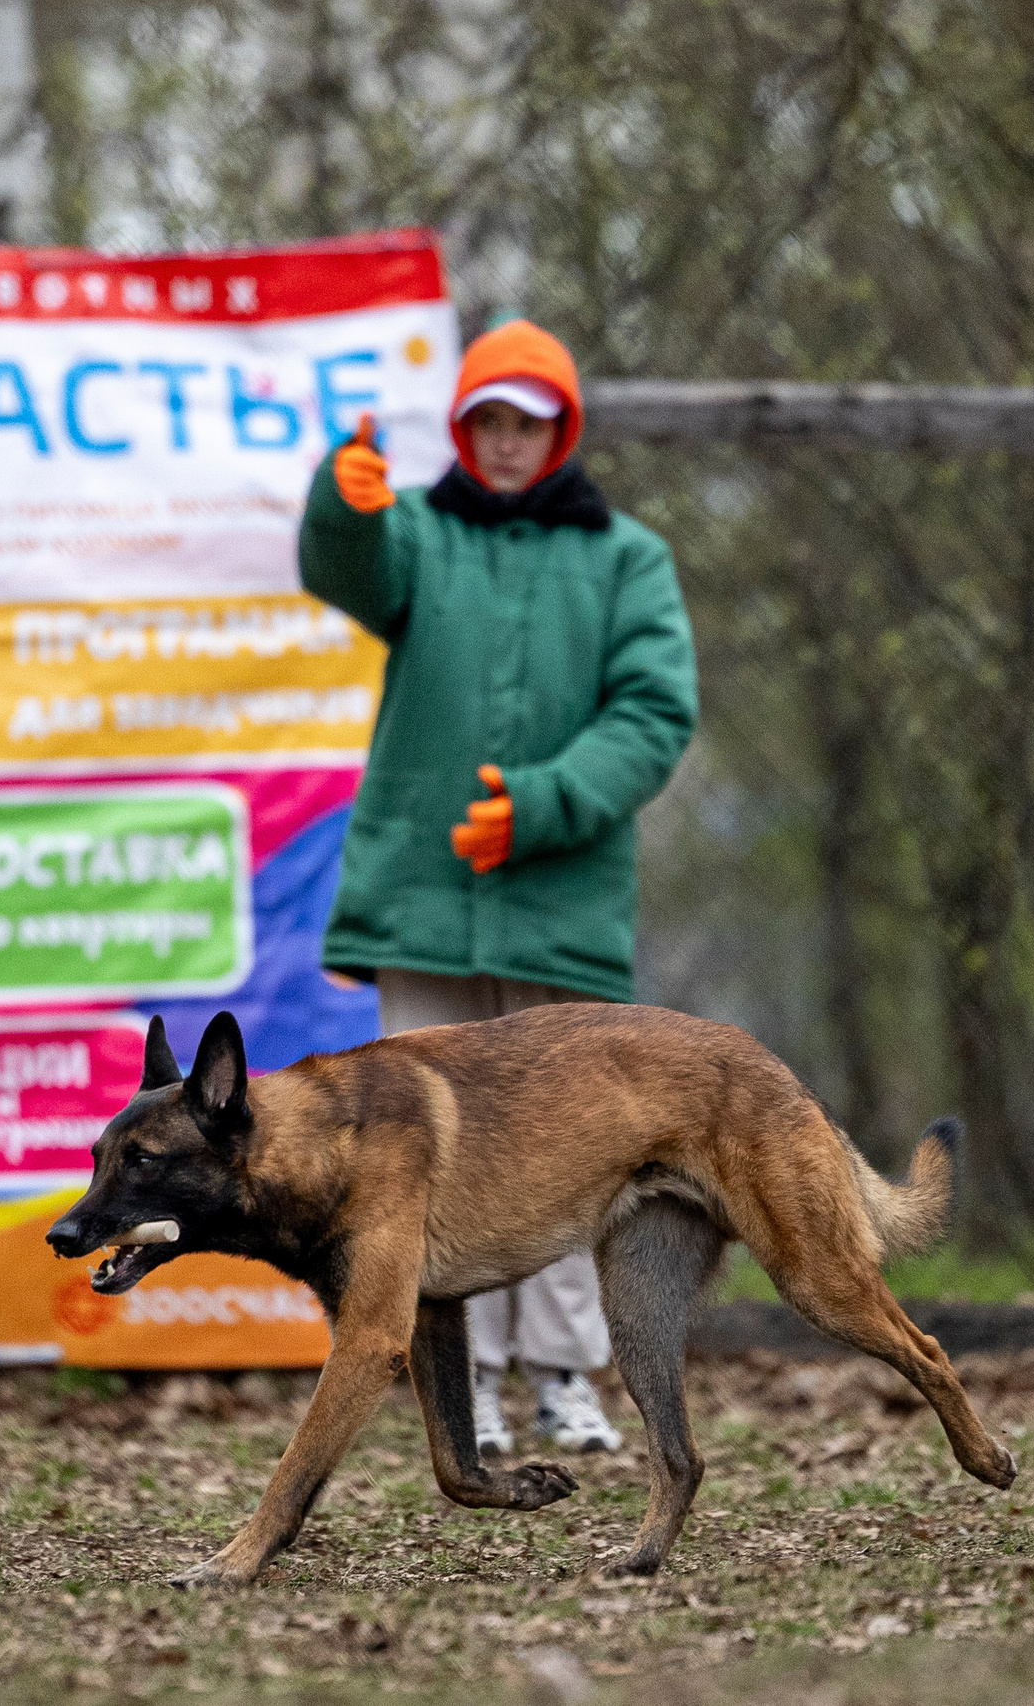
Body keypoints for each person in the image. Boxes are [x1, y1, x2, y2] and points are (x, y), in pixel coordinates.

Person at [297, 319, 699, 1454]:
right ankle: (450, 1388)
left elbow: (654, 714)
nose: (508, 440)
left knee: (567, 1156)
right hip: (420, 902)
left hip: (559, 912)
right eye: (487, 420)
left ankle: (565, 1381)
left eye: (528, 420)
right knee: (415, 1160)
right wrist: (343, 503)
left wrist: (545, 804)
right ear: (464, 430)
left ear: (560, 429)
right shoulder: (417, 535)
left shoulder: (627, 558)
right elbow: (346, 572)